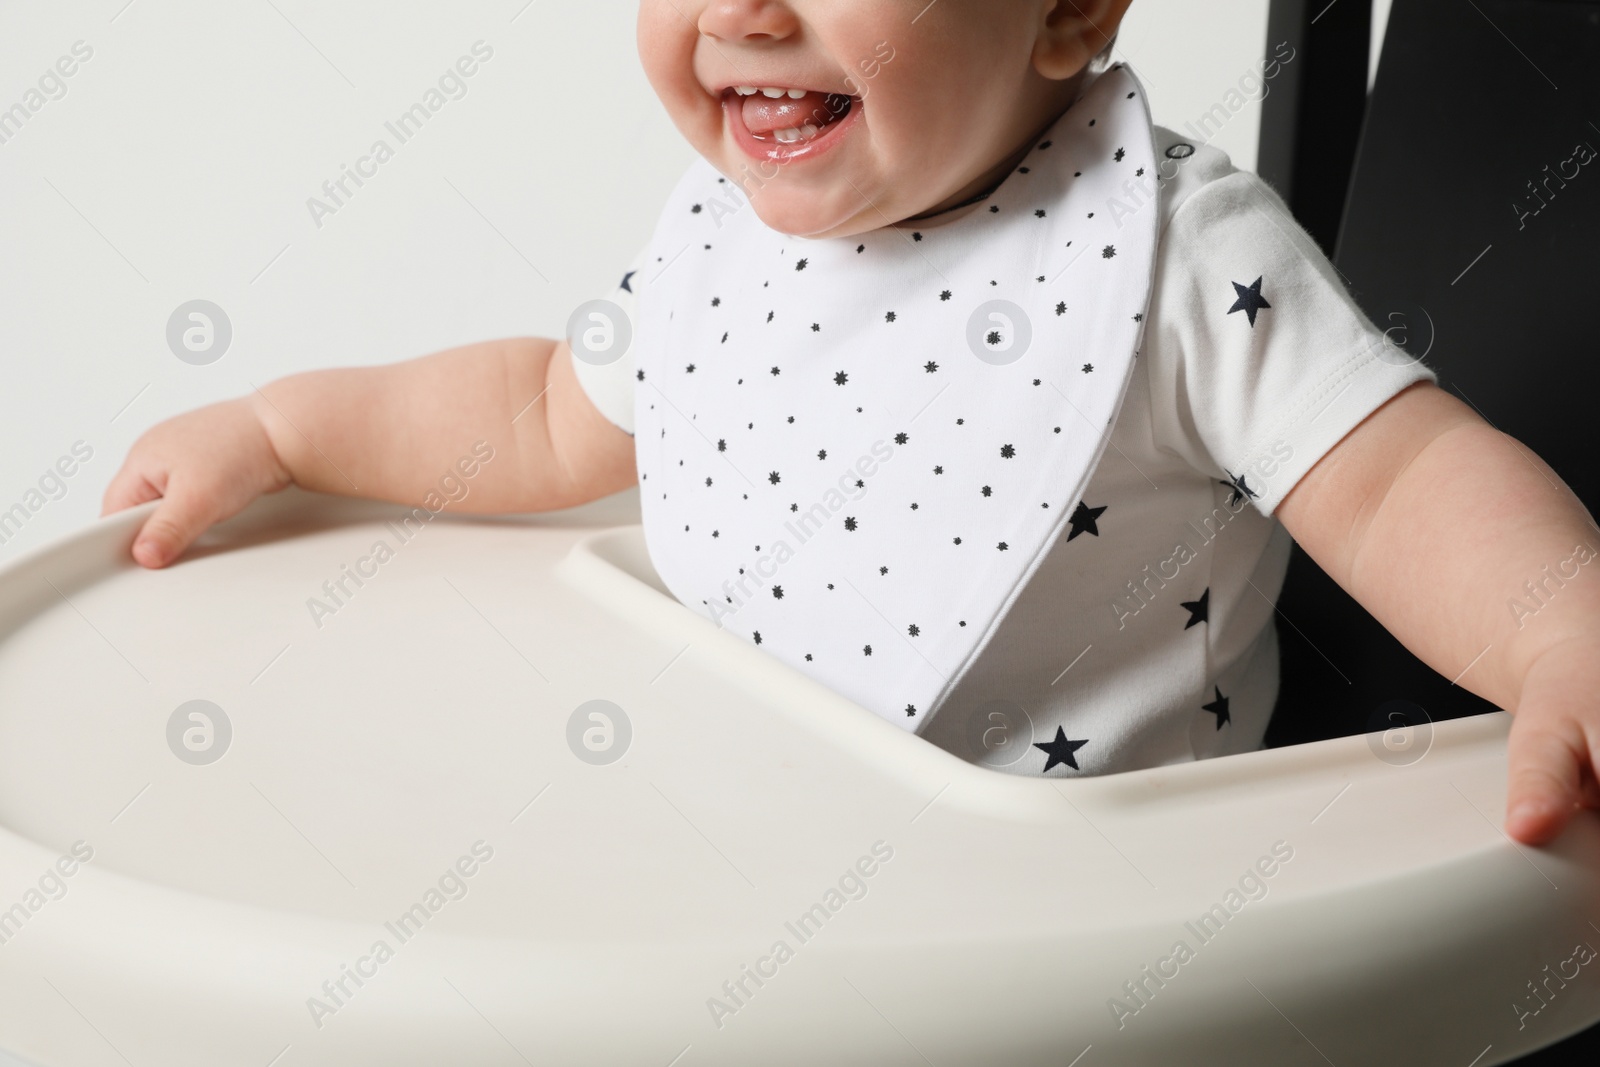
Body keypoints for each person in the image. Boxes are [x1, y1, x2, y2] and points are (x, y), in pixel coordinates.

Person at [103, 0, 1600, 847]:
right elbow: (543, 409)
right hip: (752, 854)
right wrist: (285, 427)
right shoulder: (731, 235)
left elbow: (1400, 480)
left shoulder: (1179, 257)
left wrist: (1561, 634)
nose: (744, 13)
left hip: (1086, 945)